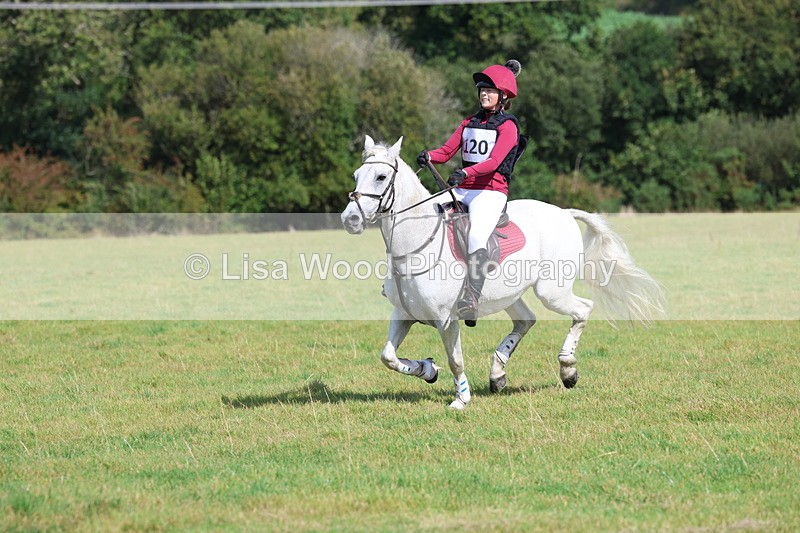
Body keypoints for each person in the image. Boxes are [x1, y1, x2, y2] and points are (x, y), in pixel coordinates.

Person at [417, 59, 523, 326]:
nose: (484, 94)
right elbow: (446, 152)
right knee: (425, 213)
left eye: (489, 90)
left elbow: (494, 162)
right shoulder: (469, 122)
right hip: (465, 188)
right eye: (481, 90)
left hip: (490, 192)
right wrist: (429, 155)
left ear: (503, 96)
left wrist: (466, 173)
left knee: (476, 236)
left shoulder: (508, 126)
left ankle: (471, 298)